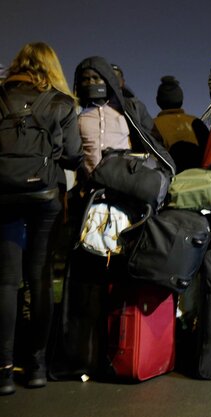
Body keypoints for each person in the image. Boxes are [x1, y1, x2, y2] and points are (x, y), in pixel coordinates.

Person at [0, 42, 82, 394]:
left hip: (3, 195)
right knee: (40, 279)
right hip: (45, 196)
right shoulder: (61, 103)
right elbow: (74, 156)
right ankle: (35, 366)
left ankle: (2, 371)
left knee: (5, 281)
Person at [73, 57, 176, 176]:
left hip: (124, 181)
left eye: (96, 78)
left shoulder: (129, 109)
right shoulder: (77, 114)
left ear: (107, 80)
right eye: (86, 79)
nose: (91, 83)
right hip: (89, 184)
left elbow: (152, 139)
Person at [152, 75, 209, 172]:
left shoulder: (151, 125)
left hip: (168, 180)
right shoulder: (196, 123)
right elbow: (209, 152)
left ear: (158, 101)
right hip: (199, 178)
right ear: (181, 100)